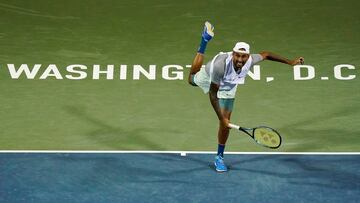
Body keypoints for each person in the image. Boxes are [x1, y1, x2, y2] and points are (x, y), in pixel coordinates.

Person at [188, 21, 304, 172]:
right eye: (237, 55)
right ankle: (204, 40)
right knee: (191, 79)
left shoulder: (251, 60)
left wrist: (290, 62)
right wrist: (220, 117)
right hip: (211, 78)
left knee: (225, 125)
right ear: (233, 53)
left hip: (229, 86)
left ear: (248, 56)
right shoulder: (220, 66)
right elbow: (213, 94)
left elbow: (267, 55)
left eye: (244, 56)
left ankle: (219, 158)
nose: (240, 59)